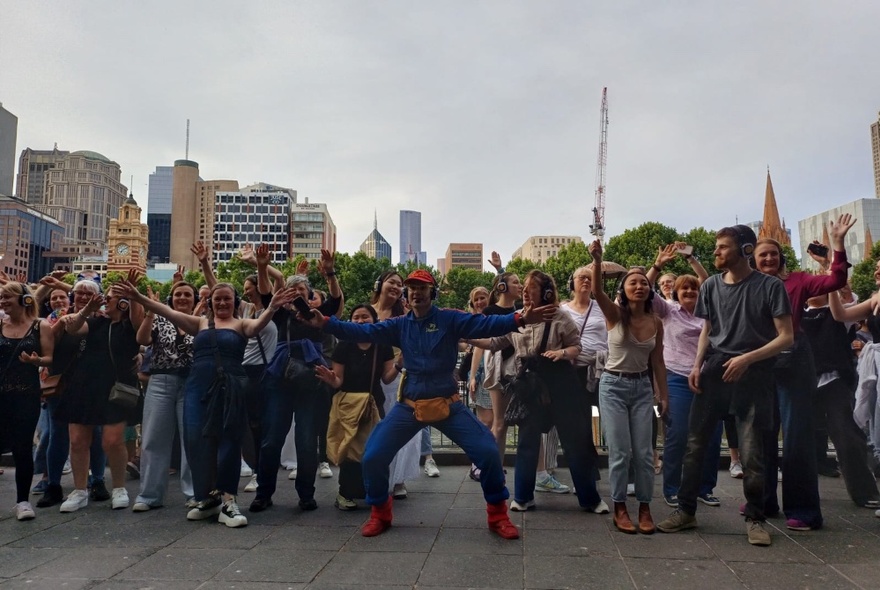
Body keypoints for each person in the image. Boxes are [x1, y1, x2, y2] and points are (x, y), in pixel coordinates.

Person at [302, 269, 556, 539]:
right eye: (411, 288)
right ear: (406, 295)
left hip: (449, 405)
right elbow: (361, 329)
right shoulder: (399, 325)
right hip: (410, 406)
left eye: (422, 288)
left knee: (489, 453)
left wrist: (520, 317)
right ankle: (380, 512)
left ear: (431, 293)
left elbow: (486, 324)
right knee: (373, 456)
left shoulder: (449, 318)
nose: (415, 292)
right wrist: (325, 322)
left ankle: (498, 516)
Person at [118, 274, 296, 527]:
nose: (222, 303)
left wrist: (273, 306)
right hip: (197, 388)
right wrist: (138, 297)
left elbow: (258, 326)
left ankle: (228, 500)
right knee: (195, 441)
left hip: (231, 387)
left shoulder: (242, 324)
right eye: (217, 299)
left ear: (234, 302)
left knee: (229, 442)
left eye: (227, 299)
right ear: (210, 303)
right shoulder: (200, 323)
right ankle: (207, 498)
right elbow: (165, 311)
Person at [657, 224, 793, 547]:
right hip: (715, 369)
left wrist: (747, 358)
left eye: (722, 247)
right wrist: (697, 364)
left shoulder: (771, 287)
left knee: (752, 452)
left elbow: (786, 337)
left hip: (754, 374)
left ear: (745, 250)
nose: (716, 252)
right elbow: (708, 328)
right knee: (695, 446)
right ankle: (686, 511)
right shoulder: (711, 287)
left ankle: (756, 518)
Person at [468, 270, 608, 515]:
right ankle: (522, 497)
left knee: (574, 441)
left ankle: (590, 498)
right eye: (524, 286)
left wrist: (561, 353)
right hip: (531, 384)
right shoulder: (517, 317)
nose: (524, 290)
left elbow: (576, 346)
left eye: (530, 287)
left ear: (546, 292)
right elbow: (495, 343)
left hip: (561, 382)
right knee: (527, 440)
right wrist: (468, 338)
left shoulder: (560, 316)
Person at [752, 214, 855, 531]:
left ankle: (804, 509)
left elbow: (835, 281)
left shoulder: (797, 281)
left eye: (773, 254)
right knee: (761, 435)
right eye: (762, 255)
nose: (769, 258)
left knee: (796, 437)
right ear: (754, 261)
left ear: (781, 258)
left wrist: (837, 244)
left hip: (794, 360)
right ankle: (763, 500)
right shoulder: (748, 288)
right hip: (761, 364)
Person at [250, 248, 343, 513]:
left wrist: (330, 272)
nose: (298, 293)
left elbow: (335, 301)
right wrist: (261, 266)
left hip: (310, 379)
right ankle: (264, 492)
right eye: (293, 290)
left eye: (302, 290)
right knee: (271, 439)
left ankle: (306, 494)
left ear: (310, 294)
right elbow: (267, 292)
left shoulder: (316, 314)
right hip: (281, 378)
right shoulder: (280, 313)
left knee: (306, 439)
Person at [589, 241, 669, 534]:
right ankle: (620, 506)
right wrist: (597, 261)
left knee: (645, 452)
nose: (639, 286)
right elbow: (597, 292)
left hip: (642, 388)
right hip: (613, 385)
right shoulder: (615, 315)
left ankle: (645, 507)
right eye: (632, 283)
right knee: (621, 451)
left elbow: (658, 362)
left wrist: (663, 395)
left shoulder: (656, 321)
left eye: (644, 283)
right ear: (623, 291)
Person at [57, 276, 145, 513]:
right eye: (107, 297)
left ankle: (118, 487)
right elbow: (72, 327)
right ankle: (79, 490)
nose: (107, 301)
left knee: (112, 440)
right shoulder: (96, 322)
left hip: (117, 387)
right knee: (77, 440)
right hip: (84, 384)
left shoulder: (129, 325)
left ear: (123, 302)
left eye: (113, 298)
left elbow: (140, 327)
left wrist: (134, 295)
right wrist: (88, 309)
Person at [646, 244, 722, 509]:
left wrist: (692, 258)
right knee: (678, 434)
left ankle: (704, 488)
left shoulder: (709, 315)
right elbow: (644, 289)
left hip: (707, 378)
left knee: (711, 436)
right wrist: (658, 265)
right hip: (676, 378)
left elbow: (711, 282)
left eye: (694, 288)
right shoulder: (668, 312)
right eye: (684, 288)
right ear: (676, 293)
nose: (690, 291)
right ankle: (672, 488)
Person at [314, 304, 397, 510]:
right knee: (350, 449)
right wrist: (331, 379)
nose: (360, 321)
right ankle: (346, 493)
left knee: (374, 449)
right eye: (356, 317)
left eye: (365, 317)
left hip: (373, 403)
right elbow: (338, 381)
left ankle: (371, 490)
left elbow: (387, 379)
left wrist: (399, 364)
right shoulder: (344, 345)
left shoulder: (382, 345)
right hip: (348, 404)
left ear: (374, 320)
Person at [37, 279, 108, 509]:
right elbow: (49, 343)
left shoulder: (104, 319)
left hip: (92, 385)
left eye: (90, 294)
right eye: (79, 293)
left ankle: (97, 481)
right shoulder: (59, 317)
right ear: (72, 296)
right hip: (62, 383)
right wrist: (58, 324)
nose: (84, 297)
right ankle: (53, 484)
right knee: (57, 434)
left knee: (95, 435)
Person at [131, 281, 197, 511]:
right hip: (160, 381)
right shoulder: (160, 319)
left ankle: (194, 494)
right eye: (178, 294)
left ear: (194, 300)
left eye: (187, 294)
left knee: (191, 439)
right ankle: (149, 495)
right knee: (153, 438)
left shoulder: (199, 322)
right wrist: (151, 311)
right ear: (171, 299)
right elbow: (142, 339)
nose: (182, 298)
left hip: (190, 383)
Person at [0, 282, 55, 520]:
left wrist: (36, 361)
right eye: (1, 298)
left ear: (24, 301)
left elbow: (49, 358)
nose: (2, 302)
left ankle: (23, 501)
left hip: (26, 396)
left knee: (22, 447)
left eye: (7, 298)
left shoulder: (40, 326)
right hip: (1, 395)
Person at [370, 270, 420, 499]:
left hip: (399, 376)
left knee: (404, 430)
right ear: (379, 284)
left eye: (400, 284)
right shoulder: (367, 313)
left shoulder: (406, 315)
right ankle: (378, 477)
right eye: (392, 281)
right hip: (371, 377)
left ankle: (399, 478)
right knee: (376, 430)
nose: (396, 287)